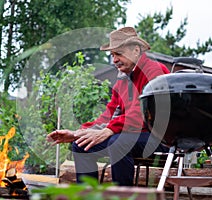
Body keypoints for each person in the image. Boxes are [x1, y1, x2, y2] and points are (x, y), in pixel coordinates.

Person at [46, 27, 170, 186]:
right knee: (81, 145)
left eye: (118, 53)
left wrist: (109, 130)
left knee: (119, 142)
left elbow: (144, 112)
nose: (114, 60)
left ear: (136, 50)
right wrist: (78, 133)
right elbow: (109, 115)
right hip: (132, 136)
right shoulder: (122, 81)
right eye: (112, 55)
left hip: (160, 137)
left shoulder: (155, 71)